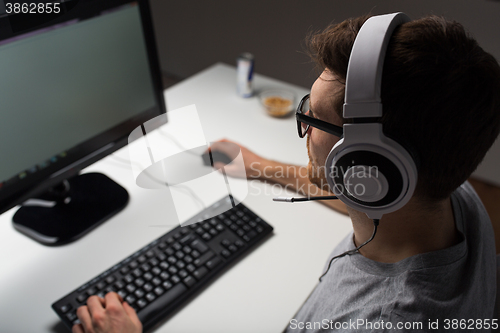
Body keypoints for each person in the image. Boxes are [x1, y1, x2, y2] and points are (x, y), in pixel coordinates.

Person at [72, 14, 500, 333]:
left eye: (313, 117)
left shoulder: (383, 319)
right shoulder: (452, 197)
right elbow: (366, 195)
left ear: (373, 165)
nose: (305, 126)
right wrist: (260, 167)